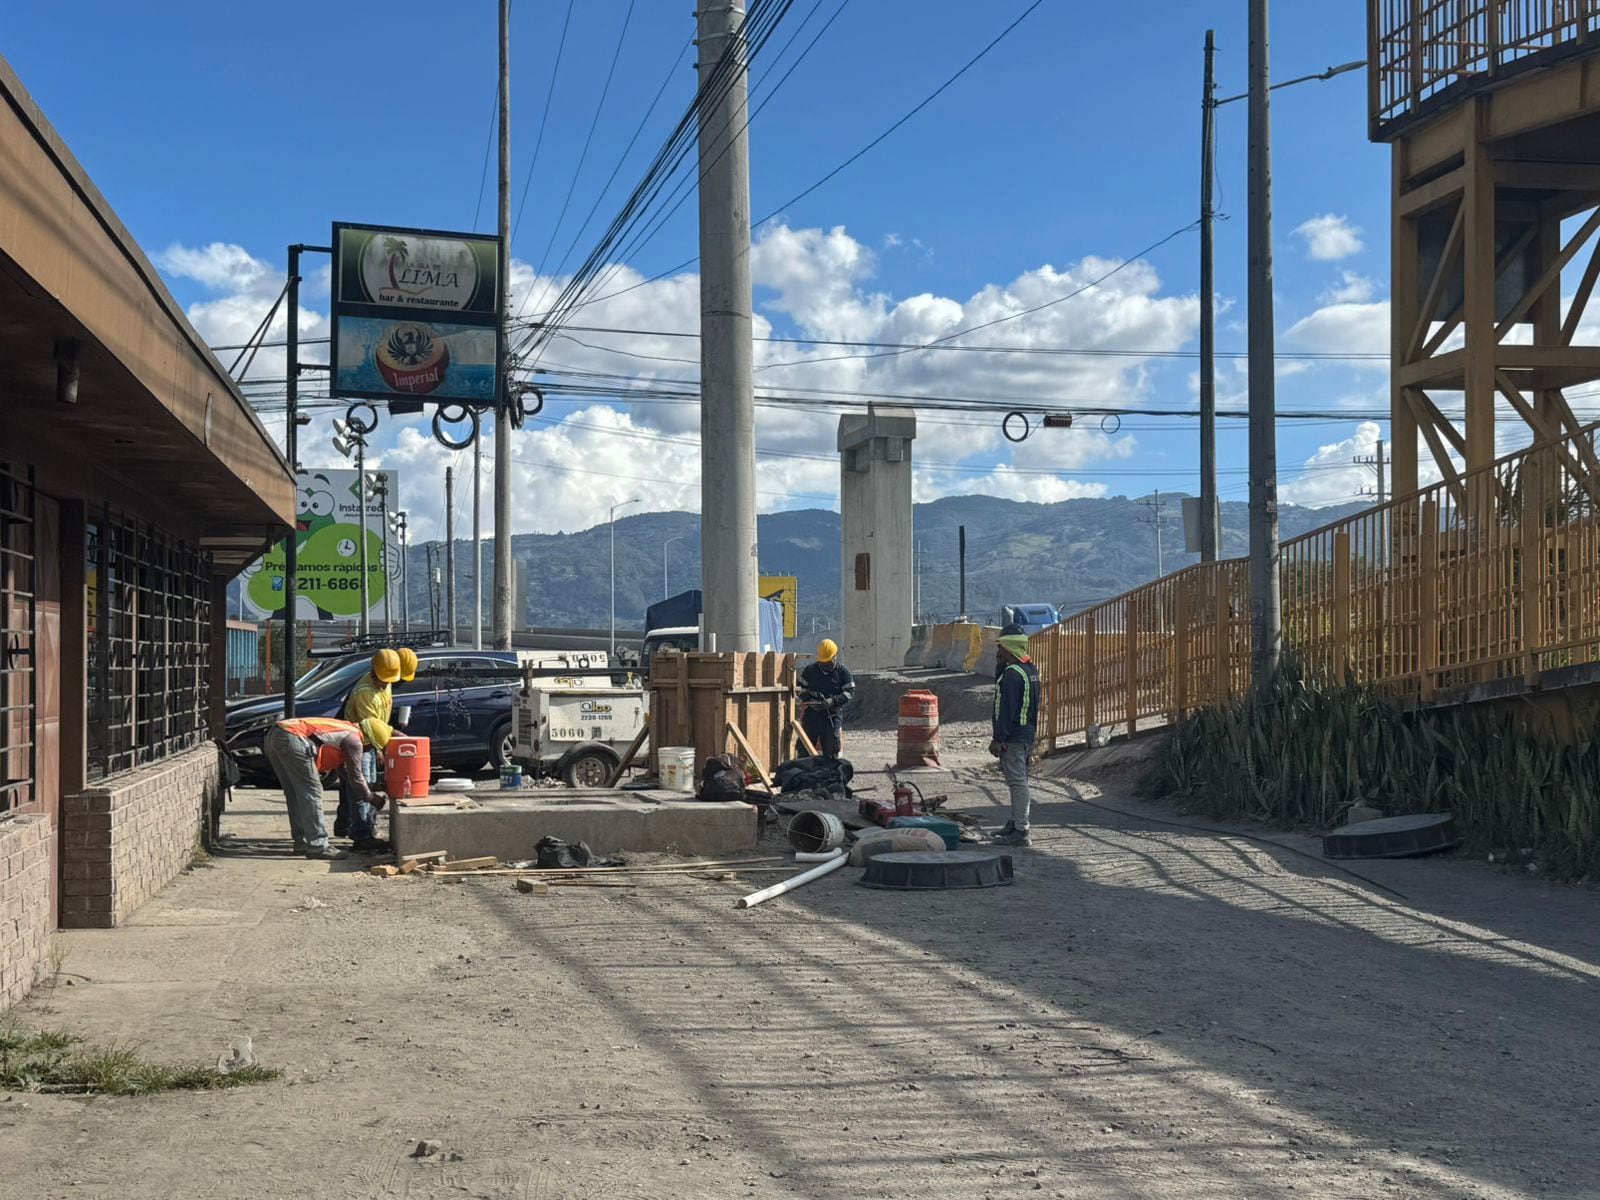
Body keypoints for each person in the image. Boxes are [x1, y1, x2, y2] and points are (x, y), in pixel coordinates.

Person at [264, 716, 392, 860]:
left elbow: (346, 772)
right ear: (369, 740)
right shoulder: (354, 740)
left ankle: (303, 842)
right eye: (372, 748)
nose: (368, 751)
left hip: (276, 734)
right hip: (292, 736)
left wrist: (371, 787)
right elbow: (356, 777)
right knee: (312, 791)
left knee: (295, 792)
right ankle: (318, 846)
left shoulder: (345, 730)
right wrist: (371, 798)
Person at [335, 648, 404, 848]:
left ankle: (366, 828)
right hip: (358, 744)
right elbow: (369, 725)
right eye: (383, 678)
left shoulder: (385, 683)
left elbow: (379, 723)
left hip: (371, 743)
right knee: (359, 789)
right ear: (374, 671)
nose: (386, 682)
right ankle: (361, 836)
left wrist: (379, 746)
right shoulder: (365, 692)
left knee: (369, 783)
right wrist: (384, 742)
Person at [990, 633, 1040, 847]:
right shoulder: (1030, 670)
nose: (998, 652)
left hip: (1013, 736)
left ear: (1009, 648)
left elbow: (1006, 709)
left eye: (1001, 647)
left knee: (1017, 781)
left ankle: (1021, 830)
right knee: (1019, 780)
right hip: (1026, 734)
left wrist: (998, 738)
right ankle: (1015, 822)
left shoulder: (1012, 674)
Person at [799, 639, 855, 760]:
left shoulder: (842, 672)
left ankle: (830, 773)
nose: (824, 665)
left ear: (835, 657)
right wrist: (810, 700)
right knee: (804, 749)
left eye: (827, 662)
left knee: (831, 749)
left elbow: (850, 692)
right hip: (812, 716)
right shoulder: (810, 671)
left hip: (832, 716)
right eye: (822, 663)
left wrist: (833, 701)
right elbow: (801, 689)